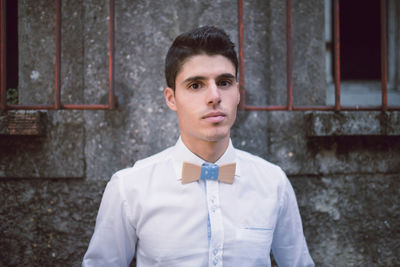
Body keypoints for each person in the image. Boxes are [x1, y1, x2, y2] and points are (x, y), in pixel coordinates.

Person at [82, 26, 314, 267]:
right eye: (195, 85)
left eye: (224, 82)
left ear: (237, 93)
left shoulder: (273, 183)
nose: (214, 96)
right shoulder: (129, 188)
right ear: (171, 98)